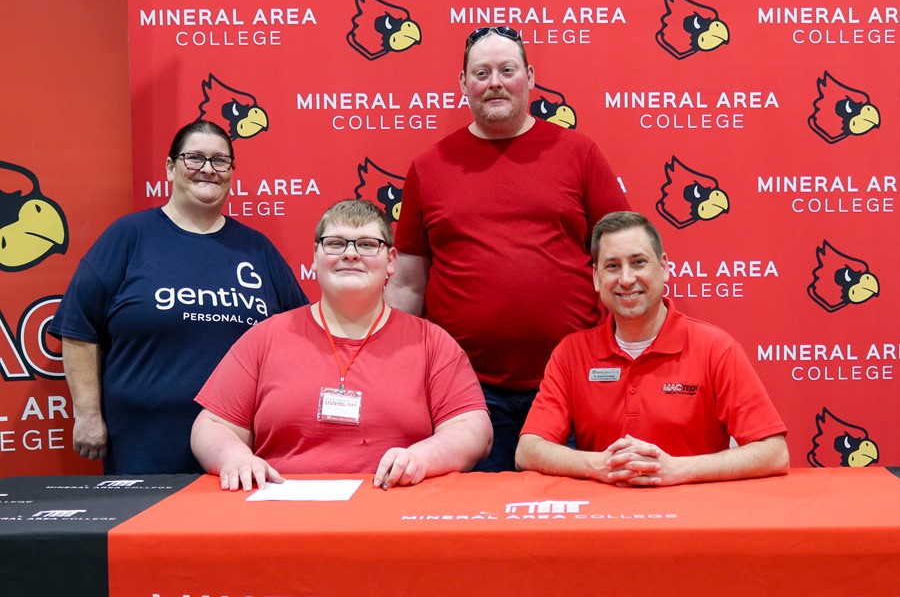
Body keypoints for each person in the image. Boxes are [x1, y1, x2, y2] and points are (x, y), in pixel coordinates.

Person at [385, 26, 631, 472]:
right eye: (481, 72)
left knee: (572, 523)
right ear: (463, 84)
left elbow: (625, 254)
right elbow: (406, 283)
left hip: (572, 383)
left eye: (507, 69)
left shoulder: (579, 153)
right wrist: (390, 369)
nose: (494, 81)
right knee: (476, 530)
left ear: (529, 77)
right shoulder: (428, 167)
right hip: (465, 392)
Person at [49, 120, 308, 475]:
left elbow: (301, 333)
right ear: (171, 168)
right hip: (142, 444)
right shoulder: (129, 237)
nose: (208, 169)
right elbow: (79, 328)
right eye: (194, 158)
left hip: (239, 448)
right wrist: (88, 414)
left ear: (232, 172)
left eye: (220, 161)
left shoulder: (257, 249)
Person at [191, 199, 492, 491]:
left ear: (391, 261)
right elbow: (213, 425)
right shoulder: (265, 338)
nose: (350, 254)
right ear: (315, 256)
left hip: (396, 507)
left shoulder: (432, 343)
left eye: (367, 244)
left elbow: (471, 429)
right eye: (335, 243)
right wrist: (234, 457)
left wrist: (421, 459)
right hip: (280, 510)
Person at [516, 211, 789, 486]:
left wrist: (677, 470)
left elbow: (774, 453)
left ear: (664, 267)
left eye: (638, 262)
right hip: (603, 521)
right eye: (612, 266)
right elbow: (528, 450)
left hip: (697, 519)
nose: (626, 279)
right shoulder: (572, 353)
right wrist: (600, 465)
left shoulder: (716, 348)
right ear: (597, 278)